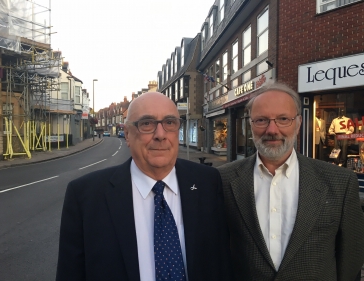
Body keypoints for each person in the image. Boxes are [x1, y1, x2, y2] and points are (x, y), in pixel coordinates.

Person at [56, 92, 232, 281]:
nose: (160, 135)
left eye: (170, 123)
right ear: (127, 135)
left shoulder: (208, 183)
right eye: (146, 124)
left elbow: (222, 264)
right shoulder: (85, 196)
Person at [218, 82, 364, 280]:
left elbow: (351, 259)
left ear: (298, 123)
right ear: (250, 124)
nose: (272, 129)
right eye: (261, 120)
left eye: (283, 119)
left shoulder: (340, 182)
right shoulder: (223, 179)